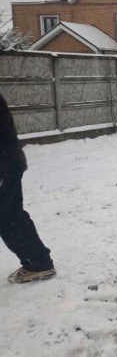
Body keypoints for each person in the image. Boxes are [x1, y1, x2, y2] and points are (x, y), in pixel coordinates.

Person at [0, 93, 55, 284]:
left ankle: (39, 264)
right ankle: (38, 262)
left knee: (9, 218)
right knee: (10, 217)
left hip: (4, 167)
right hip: (7, 164)